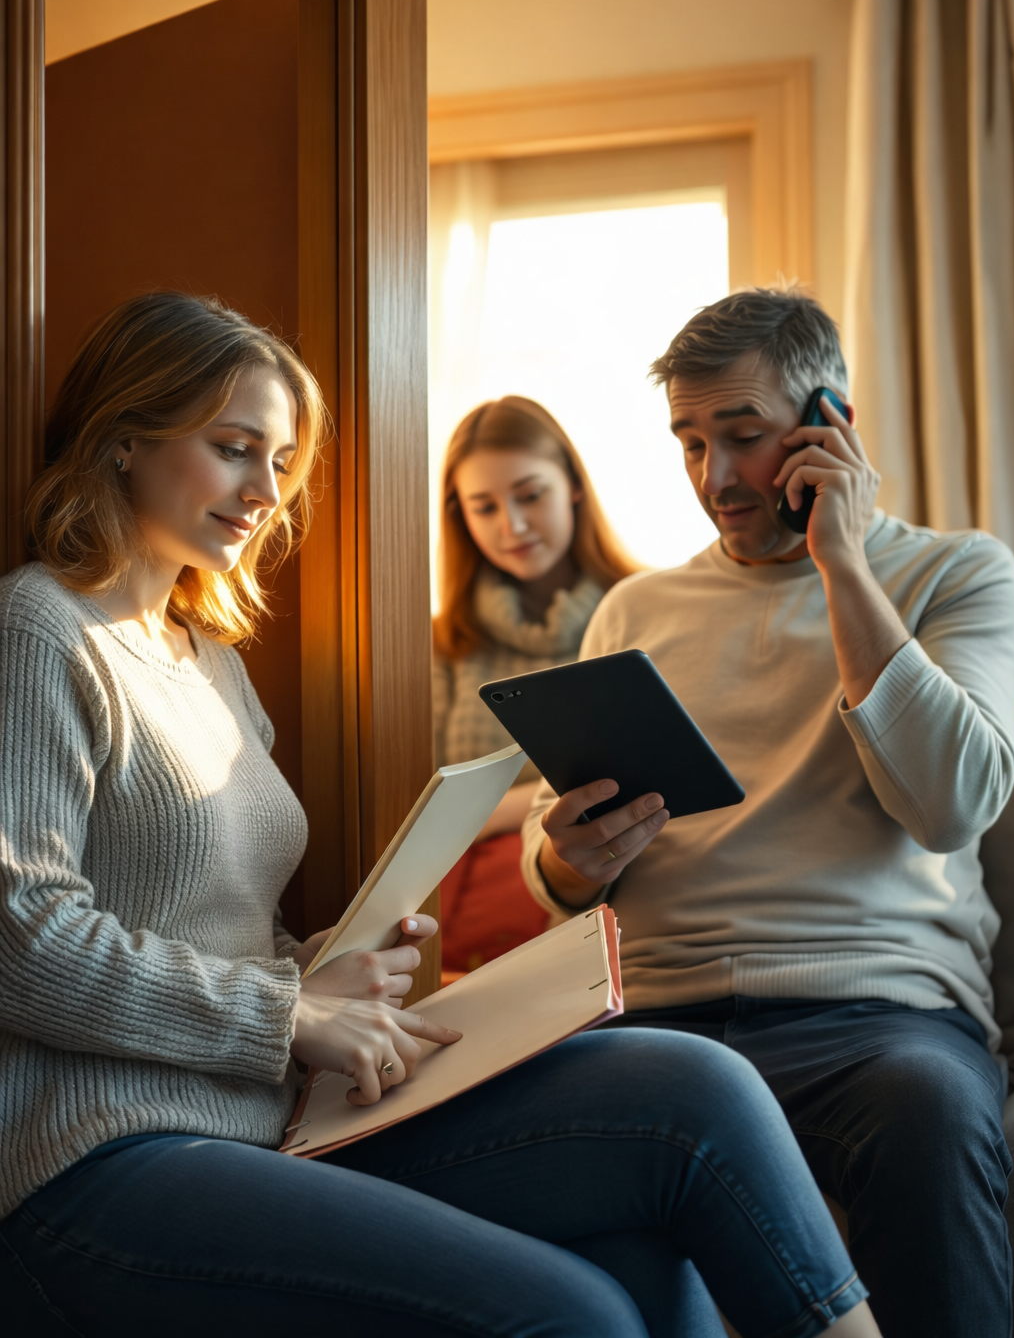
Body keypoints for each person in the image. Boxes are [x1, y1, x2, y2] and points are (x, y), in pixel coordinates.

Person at [0, 291, 883, 1338]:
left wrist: (331, 962)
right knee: (579, 1314)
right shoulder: (44, 629)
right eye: (235, 449)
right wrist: (291, 1013)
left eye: (281, 465)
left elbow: (217, 936)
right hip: (95, 1160)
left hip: (273, 1118)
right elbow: (24, 940)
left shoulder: (215, 668)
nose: (264, 494)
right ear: (124, 442)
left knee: (696, 1092)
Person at [522, 285, 1014, 1338]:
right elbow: (556, 851)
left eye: (741, 438)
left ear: (825, 425)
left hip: (879, 1018)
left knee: (928, 1113)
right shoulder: (637, 609)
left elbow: (951, 804)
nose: (712, 479)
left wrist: (841, 559)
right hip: (656, 1018)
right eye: (688, 442)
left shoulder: (956, 574)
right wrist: (564, 863)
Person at [434, 397, 638, 973]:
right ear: (461, 517)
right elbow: (419, 809)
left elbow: (645, 788)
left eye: (530, 495)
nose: (513, 526)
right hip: (468, 927)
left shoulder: (640, 612)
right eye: (484, 506)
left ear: (573, 484)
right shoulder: (443, 644)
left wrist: (487, 813)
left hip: (615, 910)